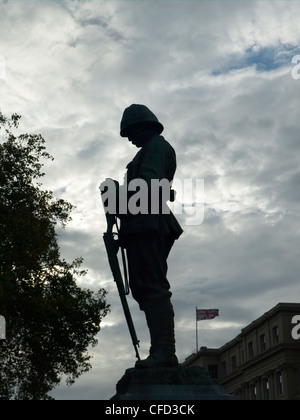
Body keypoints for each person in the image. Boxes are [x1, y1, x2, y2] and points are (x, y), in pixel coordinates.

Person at [115, 104, 183, 368]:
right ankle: (161, 351)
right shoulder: (149, 150)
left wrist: (115, 196)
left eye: (131, 133)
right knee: (144, 287)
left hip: (149, 224)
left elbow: (148, 186)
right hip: (141, 224)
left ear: (144, 126)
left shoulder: (156, 148)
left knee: (152, 286)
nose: (130, 139)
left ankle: (164, 352)